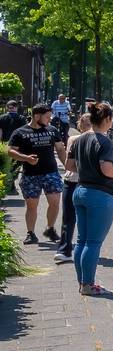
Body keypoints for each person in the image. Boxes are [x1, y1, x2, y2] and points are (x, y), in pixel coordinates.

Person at [69, 102, 113, 295]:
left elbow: (69, 165)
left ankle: (82, 283)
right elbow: (106, 168)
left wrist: (87, 169)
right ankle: (88, 285)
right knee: (93, 243)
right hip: (100, 195)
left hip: (80, 190)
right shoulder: (106, 142)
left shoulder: (79, 139)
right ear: (108, 119)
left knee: (82, 240)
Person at [7, 103, 66, 245]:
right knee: (32, 205)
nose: (49, 119)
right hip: (30, 174)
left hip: (50, 172)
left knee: (55, 202)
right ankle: (30, 233)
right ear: (36, 116)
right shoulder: (20, 132)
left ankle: (50, 229)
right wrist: (26, 158)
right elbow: (10, 151)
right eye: (47, 116)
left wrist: (67, 166)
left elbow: (60, 149)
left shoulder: (52, 130)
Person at [54, 113, 92, 264]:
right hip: (76, 180)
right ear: (81, 126)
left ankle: (72, 249)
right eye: (86, 124)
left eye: (91, 124)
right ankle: (69, 249)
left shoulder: (76, 139)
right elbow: (72, 163)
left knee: (76, 218)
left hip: (78, 181)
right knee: (73, 217)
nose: (89, 127)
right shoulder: (76, 139)